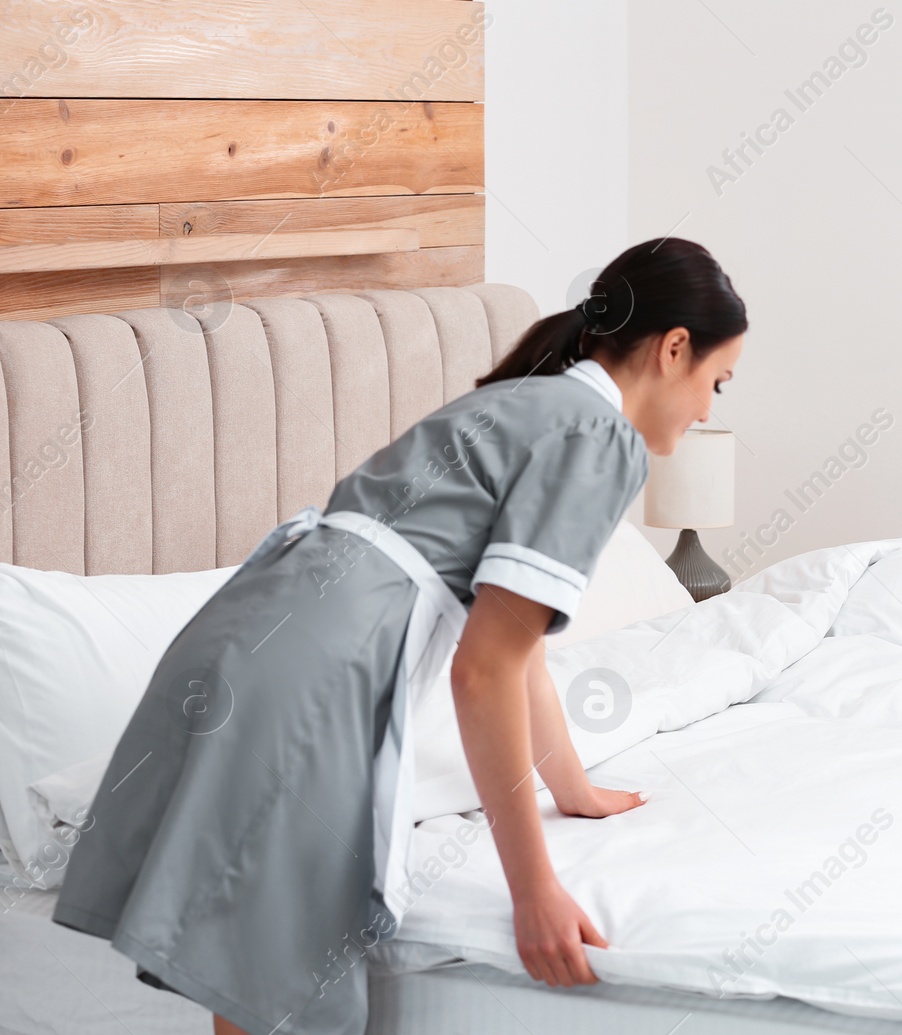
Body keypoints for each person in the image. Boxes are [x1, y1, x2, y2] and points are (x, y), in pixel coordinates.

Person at [52, 237, 748, 1035]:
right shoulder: (600, 437)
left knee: (251, 981)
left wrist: (572, 790)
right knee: (274, 990)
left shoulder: (526, 401)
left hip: (249, 633)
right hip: (312, 676)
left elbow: (519, 655)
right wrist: (534, 892)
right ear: (673, 349)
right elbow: (483, 672)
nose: (706, 412)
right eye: (716, 383)